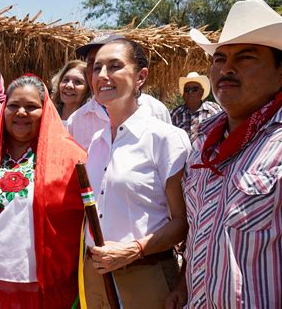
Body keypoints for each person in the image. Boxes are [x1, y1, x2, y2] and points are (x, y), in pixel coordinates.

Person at [165, 0, 282, 309]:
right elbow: (202, 227)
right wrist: (183, 284)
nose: (226, 69)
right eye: (220, 58)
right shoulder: (205, 140)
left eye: (246, 57)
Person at [0, 75, 87, 309]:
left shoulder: (71, 159)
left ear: (45, 110)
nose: (21, 113)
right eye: (14, 106)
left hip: (44, 287)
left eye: (31, 107)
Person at [83, 38, 190, 309]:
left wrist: (134, 250)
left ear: (141, 76)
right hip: (94, 276)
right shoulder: (96, 142)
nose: (103, 76)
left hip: (145, 277)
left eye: (115, 66)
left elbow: (183, 222)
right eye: (97, 68)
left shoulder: (166, 138)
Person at [68, 34, 172, 150]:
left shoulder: (155, 110)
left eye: (114, 66)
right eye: (94, 65)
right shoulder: (76, 121)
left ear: (140, 76)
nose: (101, 74)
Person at [170, 72, 221, 142]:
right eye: (187, 89)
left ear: (202, 92)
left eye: (195, 89)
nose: (190, 92)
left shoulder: (213, 110)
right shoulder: (175, 114)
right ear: (183, 94)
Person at [51, 60, 91, 124]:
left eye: (78, 82)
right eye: (66, 80)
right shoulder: (49, 113)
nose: (69, 85)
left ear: (88, 89)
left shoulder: (92, 121)